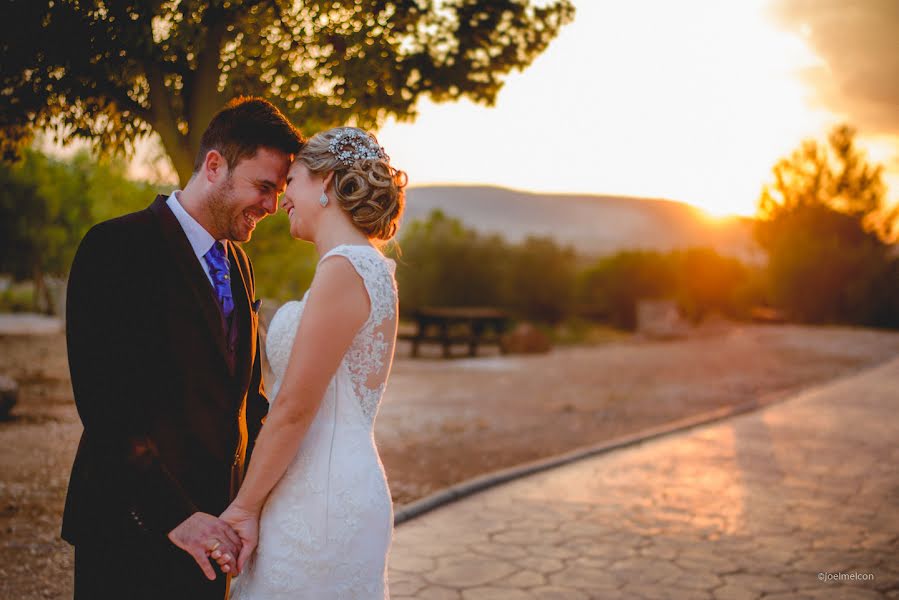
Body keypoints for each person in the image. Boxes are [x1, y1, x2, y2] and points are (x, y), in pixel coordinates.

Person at [62, 97, 303, 599]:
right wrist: (176, 516)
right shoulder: (115, 248)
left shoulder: (239, 264)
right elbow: (106, 409)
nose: (272, 207)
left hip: (216, 535)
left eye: (279, 193)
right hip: (132, 529)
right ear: (215, 165)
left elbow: (247, 400)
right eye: (263, 187)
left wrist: (252, 503)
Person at [221, 127, 407, 599]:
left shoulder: (345, 267)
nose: (283, 197)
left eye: (293, 181)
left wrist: (243, 508)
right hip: (326, 485)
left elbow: (294, 408)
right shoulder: (369, 265)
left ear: (325, 182)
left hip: (320, 501)